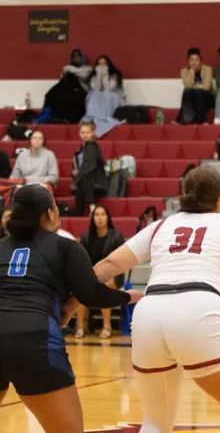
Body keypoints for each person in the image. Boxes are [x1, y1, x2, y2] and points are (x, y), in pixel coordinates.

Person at [92, 166, 220, 433]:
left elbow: (107, 265)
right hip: (199, 311)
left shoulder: (161, 226)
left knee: (156, 422)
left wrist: (71, 300)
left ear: (182, 196)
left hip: (149, 315)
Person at [0, 185, 136, 433]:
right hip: (34, 338)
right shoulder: (65, 246)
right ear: (49, 213)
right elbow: (91, 293)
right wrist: (132, 296)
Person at [74, 205, 126, 339]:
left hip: (114, 274)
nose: (100, 218)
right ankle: (80, 326)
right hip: (93, 275)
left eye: (103, 214)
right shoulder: (86, 237)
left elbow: (121, 260)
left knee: (104, 287)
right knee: (79, 287)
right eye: (97, 214)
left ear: (108, 218)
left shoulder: (116, 237)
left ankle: (107, 326)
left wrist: (108, 275)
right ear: (92, 218)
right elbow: (82, 261)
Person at [43, 49, 92, 124]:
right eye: (74, 56)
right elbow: (62, 80)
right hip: (68, 90)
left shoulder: (88, 69)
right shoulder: (67, 68)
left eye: (78, 56)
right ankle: (56, 117)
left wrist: (69, 69)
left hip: (82, 91)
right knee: (53, 94)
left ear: (82, 58)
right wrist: (67, 71)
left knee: (72, 97)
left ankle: (69, 118)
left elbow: (84, 76)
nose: (76, 58)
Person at [83, 55, 125, 138]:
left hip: (112, 95)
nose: (102, 66)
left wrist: (105, 74)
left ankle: (106, 116)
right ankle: (96, 116)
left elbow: (109, 88)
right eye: (99, 64)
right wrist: (99, 75)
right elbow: (96, 88)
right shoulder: (94, 75)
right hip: (99, 95)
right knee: (93, 95)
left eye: (104, 64)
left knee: (107, 95)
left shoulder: (114, 74)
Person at [71, 121, 108, 216]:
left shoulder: (91, 146)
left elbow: (89, 166)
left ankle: (92, 207)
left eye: (88, 132)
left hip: (96, 183)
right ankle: (80, 213)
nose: (85, 135)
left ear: (92, 133)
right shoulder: (81, 149)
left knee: (84, 178)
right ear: (79, 134)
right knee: (81, 185)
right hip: (85, 185)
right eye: (83, 132)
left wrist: (76, 179)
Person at [178, 47, 215, 124]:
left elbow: (207, 87)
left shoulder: (207, 69)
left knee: (198, 92)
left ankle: (199, 120)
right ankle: (187, 118)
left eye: (196, 60)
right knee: (187, 91)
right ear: (188, 61)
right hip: (192, 99)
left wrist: (195, 86)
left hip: (207, 98)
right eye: (191, 60)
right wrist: (191, 71)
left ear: (200, 61)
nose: (194, 62)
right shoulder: (184, 71)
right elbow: (188, 85)